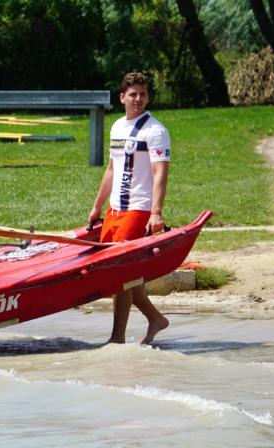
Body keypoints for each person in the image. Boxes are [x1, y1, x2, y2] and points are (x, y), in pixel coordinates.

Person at [88, 72, 171, 345]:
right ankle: (155, 320)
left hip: (139, 209)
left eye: (143, 94)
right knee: (119, 273)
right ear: (122, 98)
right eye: (133, 95)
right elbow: (111, 170)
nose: (138, 99)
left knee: (119, 272)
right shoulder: (116, 127)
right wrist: (97, 206)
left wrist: (156, 212)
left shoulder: (155, 131)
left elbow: (161, 173)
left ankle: (117, 338)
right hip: (115, 209)